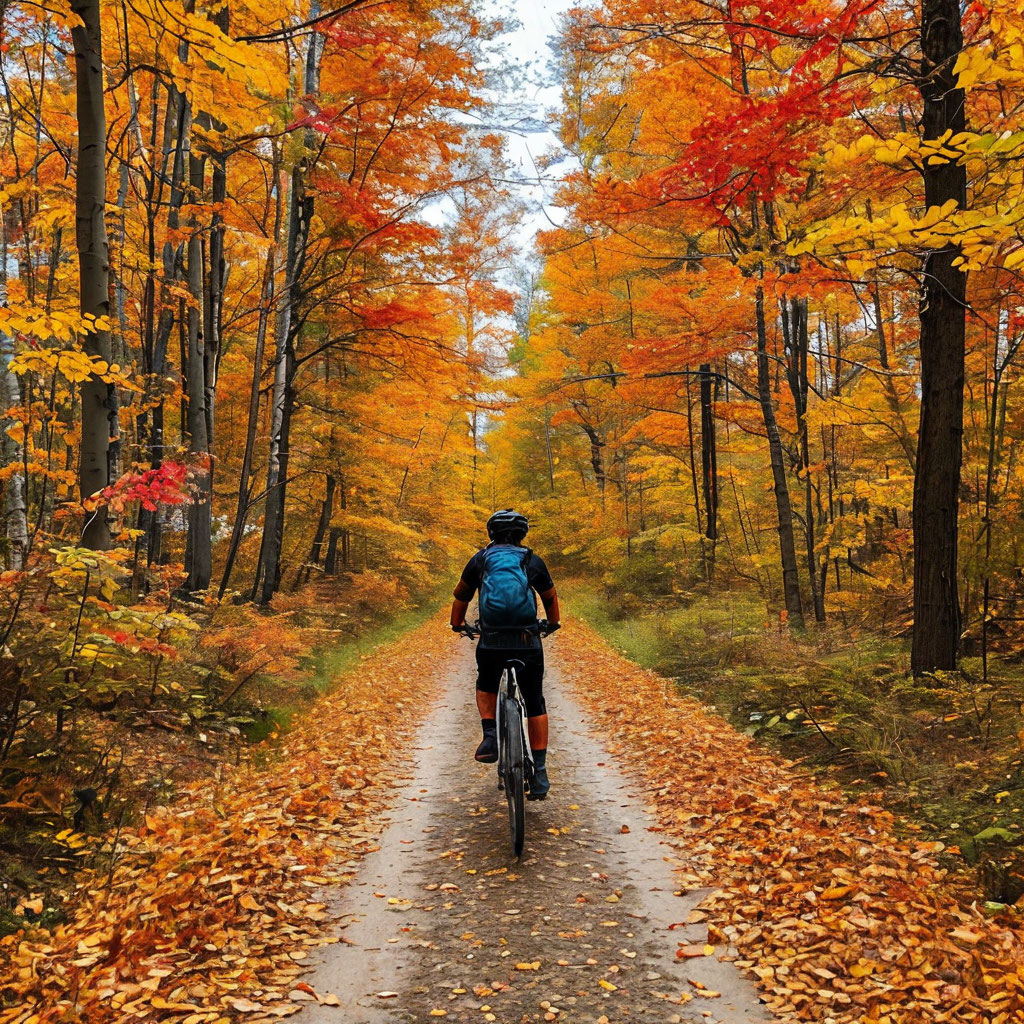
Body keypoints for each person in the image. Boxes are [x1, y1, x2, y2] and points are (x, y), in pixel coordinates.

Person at [450, 509, 561, 800]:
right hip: (527, 640)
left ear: (492, 534)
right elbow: (549, 596)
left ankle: (490, 735)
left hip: (492, 641)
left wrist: (457, 624)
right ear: (522, 534)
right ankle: (539, 772)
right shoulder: (530, 560)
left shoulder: (481, 559)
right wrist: (552, 623)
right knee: (535, 700)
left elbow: (461, 595)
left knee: (486, 683)